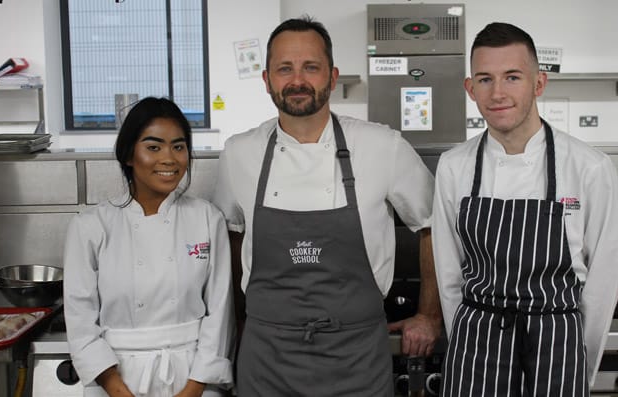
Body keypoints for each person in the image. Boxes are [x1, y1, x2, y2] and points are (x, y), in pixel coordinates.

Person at [212, 16, 442, 396]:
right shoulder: (240, 153)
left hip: (357, 359)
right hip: (266, 358)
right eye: (284, 68)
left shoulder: (381, 146)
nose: (297, 80)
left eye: (311, 67)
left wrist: (430, 315)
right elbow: (232, 240)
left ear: (332, 77)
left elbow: (434, 225)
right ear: (267, 80)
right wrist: (236, 323)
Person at [432, 22, 618, 396]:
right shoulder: (453, 166)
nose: (498, 93)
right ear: (470, 89)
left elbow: (604, 282)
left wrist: (576, 362)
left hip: (557, 346)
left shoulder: (590, 167)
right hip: (476, 346)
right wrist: (468, 344)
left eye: (512, 77)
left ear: (539, 84)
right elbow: (448, 276)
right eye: (485, 79)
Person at [63, 97, 235, 397]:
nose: (169, 158)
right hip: (115, 376)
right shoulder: (91, 225)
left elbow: (221, 313)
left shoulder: (207, 218)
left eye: (179, 147)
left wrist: (193, 388)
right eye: (153, 147)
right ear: (129, 154)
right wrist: (116, 388)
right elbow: (80, 320)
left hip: (193, 375)